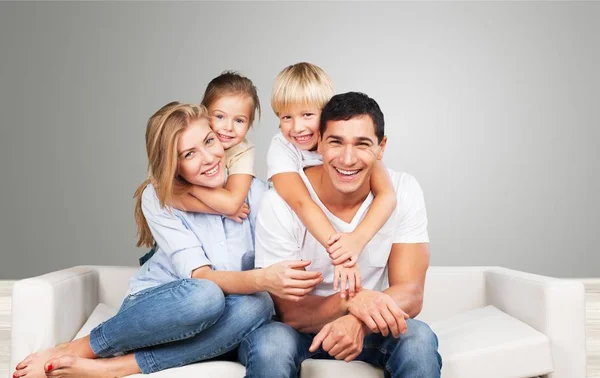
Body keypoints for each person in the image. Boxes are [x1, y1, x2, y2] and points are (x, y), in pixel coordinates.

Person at [13, 102, 322, 378]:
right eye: (189, 154)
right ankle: (80, 348)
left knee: (262, 313)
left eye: (209, 141)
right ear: (173, 165)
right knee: (206, 295)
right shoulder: (160, 198)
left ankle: (121, 367)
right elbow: (202, 278)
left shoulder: (257, 194)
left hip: (233, 321)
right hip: (167, 311)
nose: (209, 158)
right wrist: (263, 278)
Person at [239, 92, 442, 377]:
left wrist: (357, 320)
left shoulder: (404, 190)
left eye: (362, 144)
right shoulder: (279, 202)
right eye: (336, 142)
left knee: (417, 338)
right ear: (318, 142)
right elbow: (290, 314)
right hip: (298, 331)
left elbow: (411, 293)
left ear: (381, 148)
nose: (348, 159)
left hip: (370, 326)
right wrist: (348, 302)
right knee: (270, 343)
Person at [267, 63, 398, 298]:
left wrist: (356, 241)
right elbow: (301, 202)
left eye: (307, 115)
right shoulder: (282, 148)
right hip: (292, 232)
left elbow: (387, 196)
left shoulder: (347, 142)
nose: (297, 128)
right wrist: (341, 256)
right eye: (286, 117)